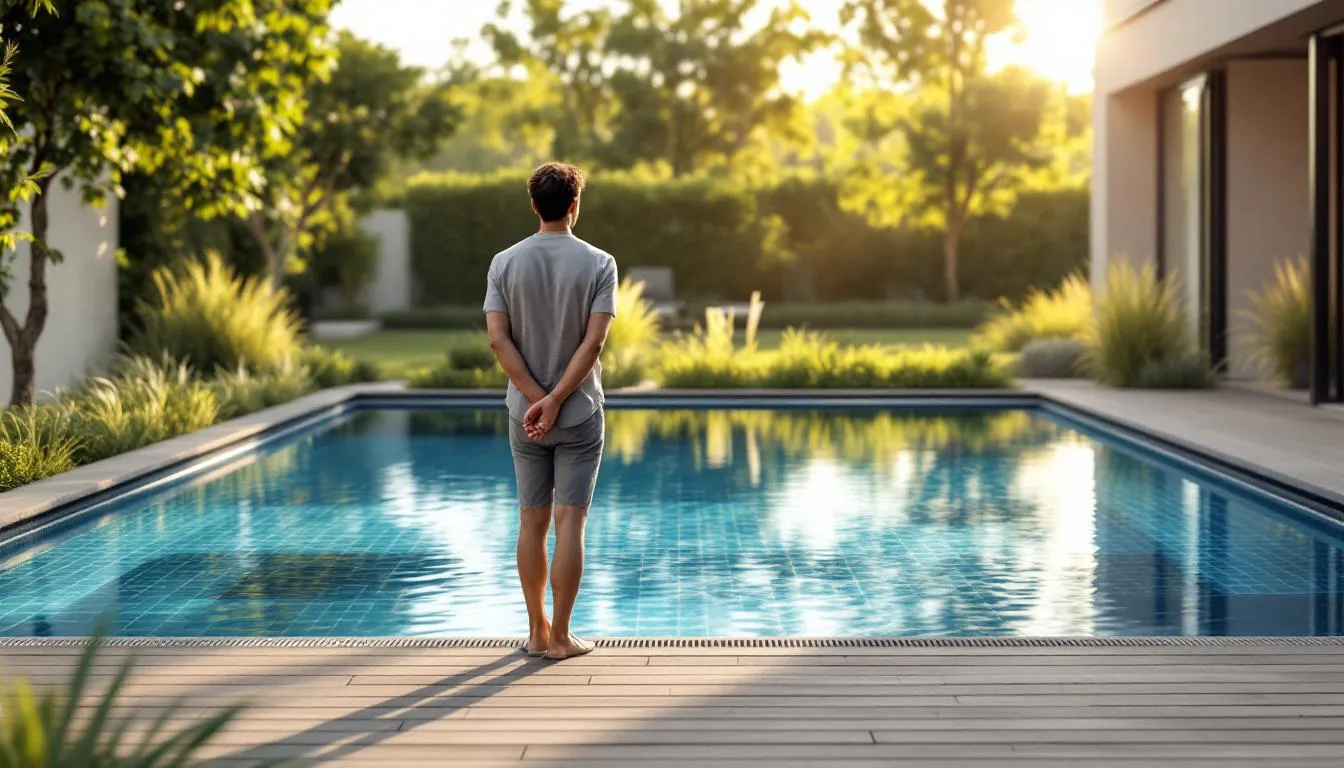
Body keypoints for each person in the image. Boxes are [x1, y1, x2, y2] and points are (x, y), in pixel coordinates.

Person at [483, 162, 616, 661]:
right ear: (575, 205)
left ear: (534, 204)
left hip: (523, 416)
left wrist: (535, 399)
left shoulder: (503, 262)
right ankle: (561, 637)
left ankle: (536, 633)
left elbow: (498, 339)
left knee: (531, 523)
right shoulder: (601, 263)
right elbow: (594, 342)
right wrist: (557, 399)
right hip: (579, 413)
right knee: (571, 525)